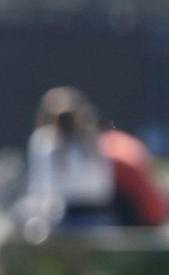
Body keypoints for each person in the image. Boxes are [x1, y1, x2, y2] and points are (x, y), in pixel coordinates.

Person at [26, 86, 116, 229]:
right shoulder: (93, 140)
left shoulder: (45, 141)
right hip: (103, 216)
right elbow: (106, 186)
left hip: (69, 218)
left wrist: (37, 218)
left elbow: (42, 187)